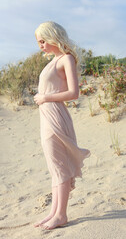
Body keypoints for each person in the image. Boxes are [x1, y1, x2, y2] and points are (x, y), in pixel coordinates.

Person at [34, 21, 90, 230]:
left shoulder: (66, 59)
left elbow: (74, 94)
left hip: (56, 117)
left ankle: (61, 215)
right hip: (46, 117)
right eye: (38, 41)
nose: (40, 45)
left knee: (60, 166)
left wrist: (45, 97)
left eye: (42, 40)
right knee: (54, 166)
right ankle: (53, 212)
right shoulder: (53, 61)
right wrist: (44, 99)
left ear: (52, 37)